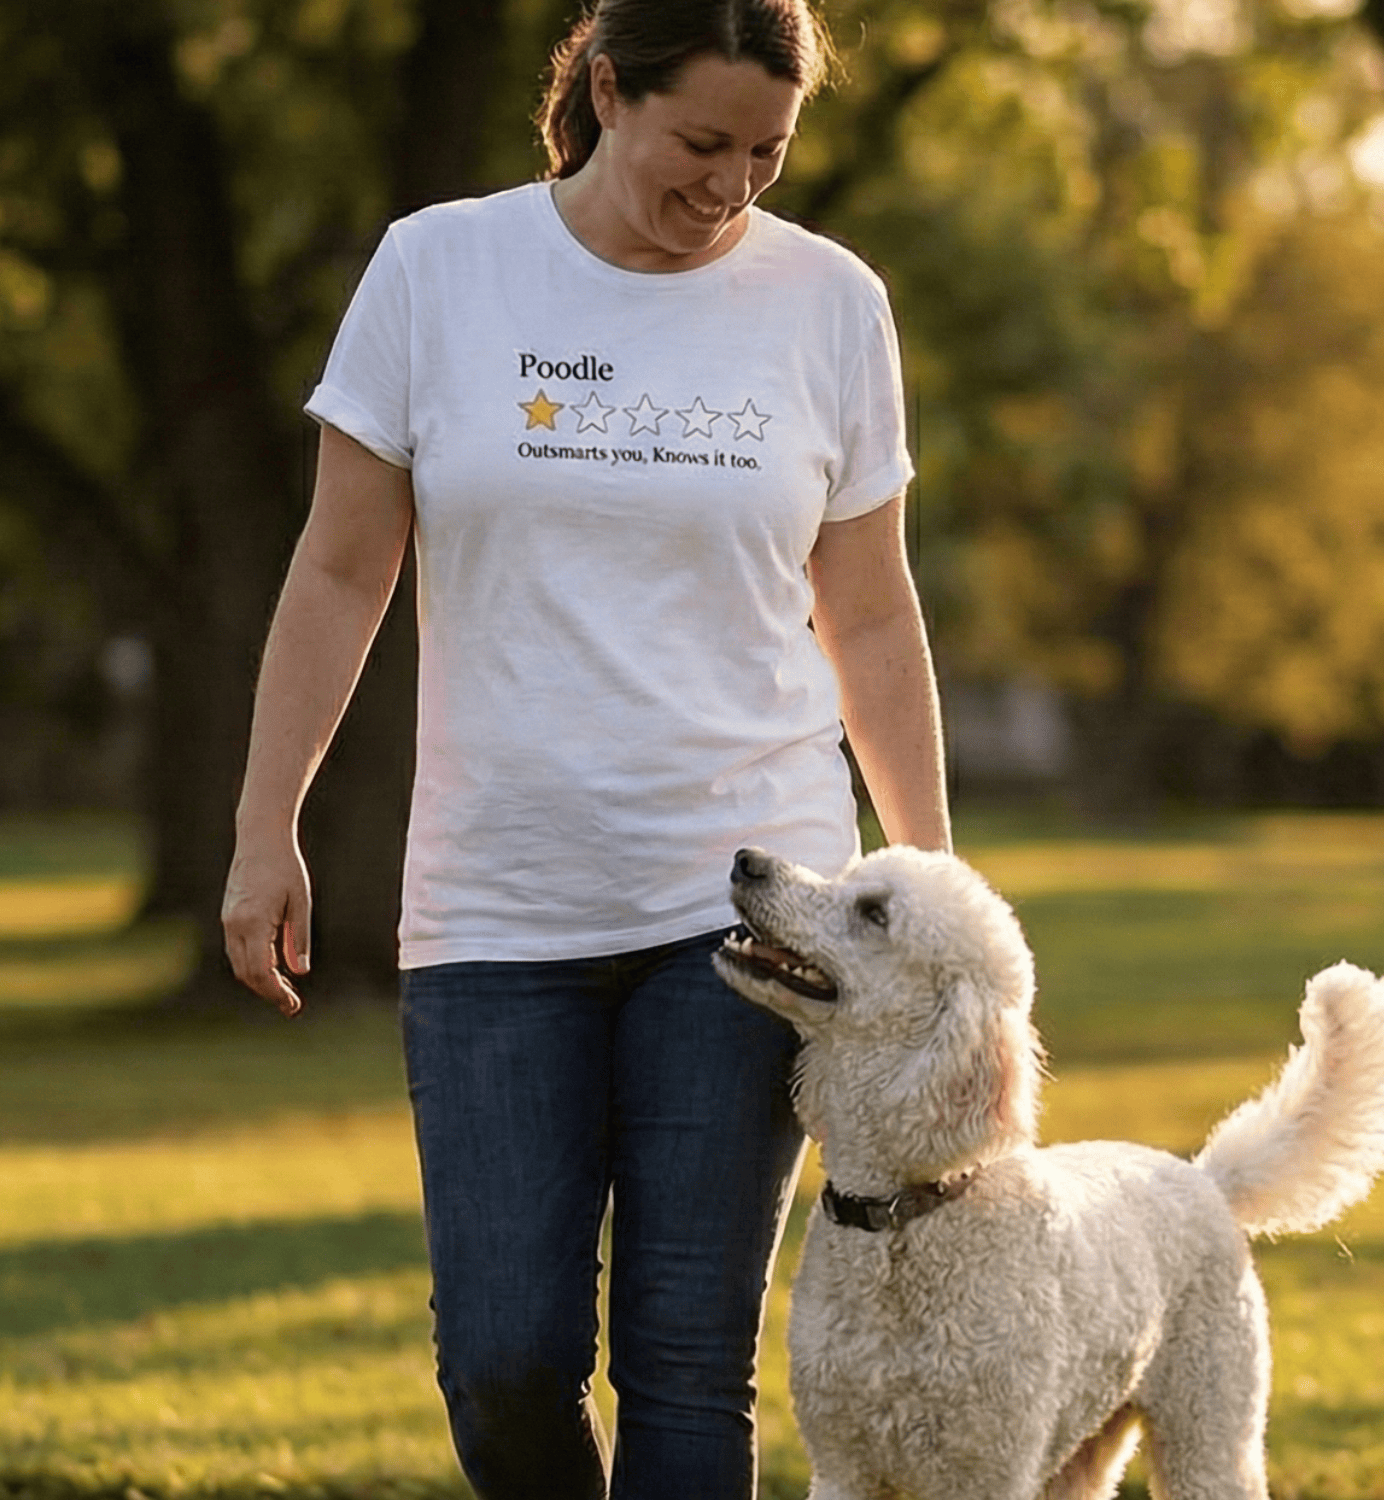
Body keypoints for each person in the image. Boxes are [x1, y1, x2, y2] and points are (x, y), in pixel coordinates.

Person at [221, 0, 950, 1494]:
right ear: (608, 92)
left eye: (768, 151)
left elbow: (871, 611)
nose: (731, 185)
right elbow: (341, 570)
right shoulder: (438, 268)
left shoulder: (831, 302)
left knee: (687, 1363)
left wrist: (931, 878)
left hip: (746, 910)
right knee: (504, 1363)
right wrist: (264, 822)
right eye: (702, 141)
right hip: (498, 903)